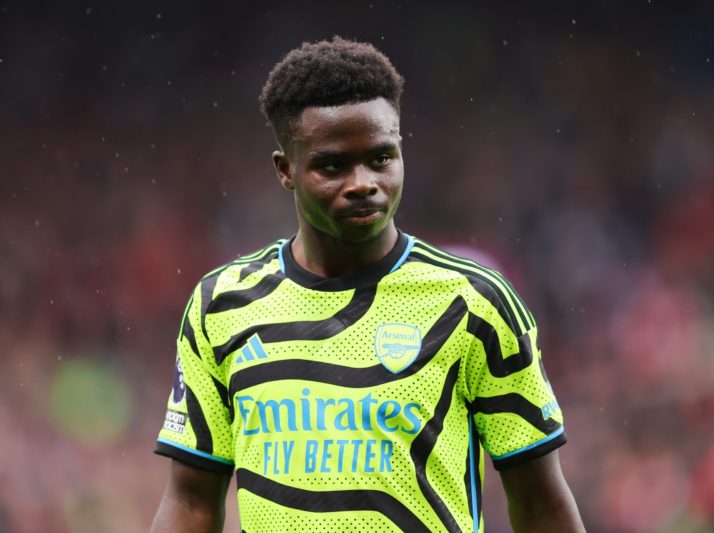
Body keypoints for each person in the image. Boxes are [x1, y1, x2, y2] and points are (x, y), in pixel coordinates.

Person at [151, 37, 584, 533]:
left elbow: (539, 502)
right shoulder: (220, 306)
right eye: (332, 165)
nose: (363, 182)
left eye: (381, 158)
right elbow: (190, 501)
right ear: (286, 169)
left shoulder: (473, 302)